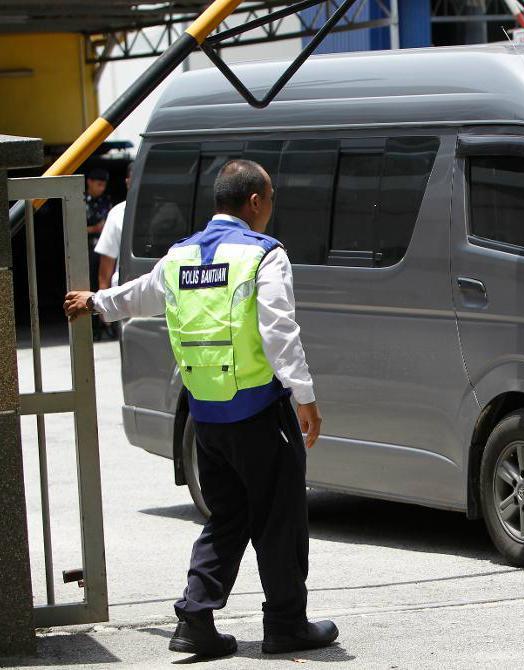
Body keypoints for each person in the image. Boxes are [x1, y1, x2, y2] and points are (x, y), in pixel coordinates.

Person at [63, 160, 336, 659]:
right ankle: (285, 624)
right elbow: (279, 331)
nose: (271, 208)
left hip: (205, 417)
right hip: (259, 412)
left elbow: (137, 296)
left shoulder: (180, 257)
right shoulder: (264, 255)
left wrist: (95, 302)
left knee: (227, 517)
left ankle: (196, 617)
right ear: (254, 201)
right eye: (270, 198)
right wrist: (306, 398)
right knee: (280, 519)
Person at [93, 162, 131, 340]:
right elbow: (107, 260)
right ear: (127, 181)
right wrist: (103, 299)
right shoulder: (117, 213)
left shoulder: (170, 210)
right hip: (126, 296)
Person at [85, 167, 112, 340]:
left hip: (103, 250)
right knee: (87, 285)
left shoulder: (106, 201)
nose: (101, 188)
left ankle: (105, 324)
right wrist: (94, 228)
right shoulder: (79, 201)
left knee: (103, 284)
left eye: (104, 185)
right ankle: (92, 327)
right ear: (89, 182)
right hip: (85, 248)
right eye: (98, 184)